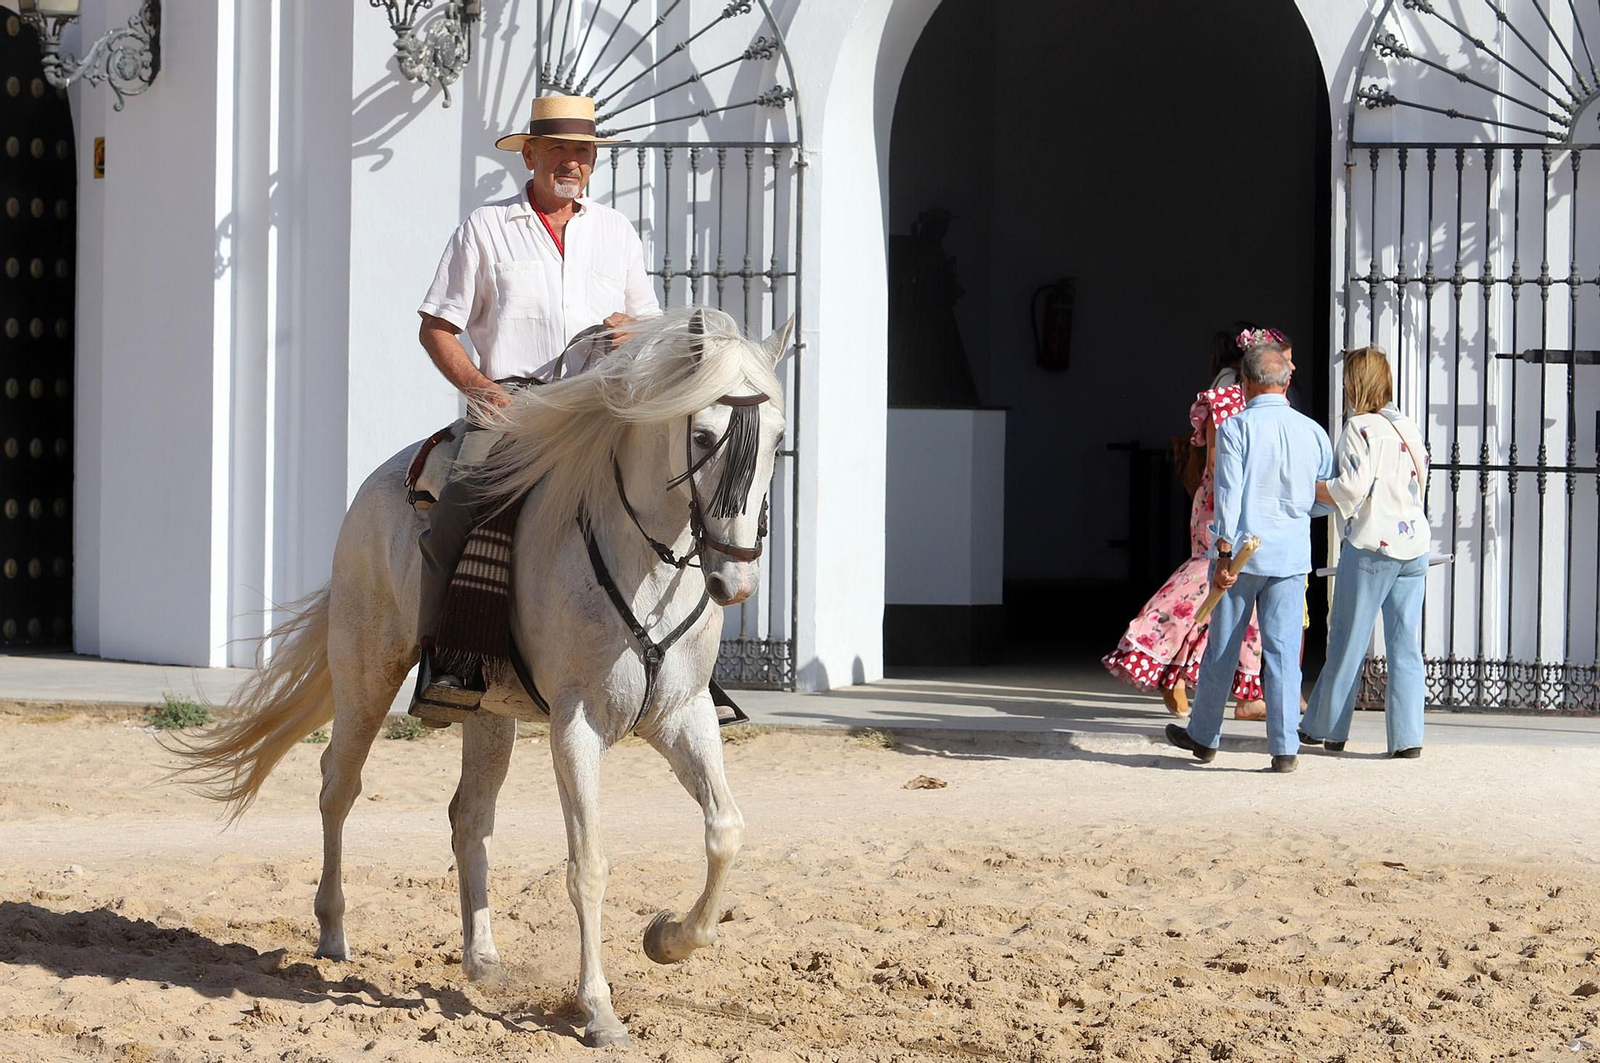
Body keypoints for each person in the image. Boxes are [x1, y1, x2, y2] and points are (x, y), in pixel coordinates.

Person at [412, 94, 660, 713]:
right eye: (558, 150)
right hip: (514, 404)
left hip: (598, 402)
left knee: (673, 485)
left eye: (583, 153)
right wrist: (482, 392)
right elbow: (437, 327)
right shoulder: (485, 228)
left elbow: (651, 324)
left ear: (594, 164)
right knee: (461, 502)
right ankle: (449, 657)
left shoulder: (616, 232)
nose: (572, 163)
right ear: (529, 155)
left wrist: (631, 332)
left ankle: (679, 659)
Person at [1165, 333, 1334, 773]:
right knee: (1281, 651)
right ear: (1283, 382)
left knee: (1223, 646)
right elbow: (1324, 494)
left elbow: (1229, 497)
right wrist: (1298, 513)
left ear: (1245, 382)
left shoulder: (1238, 427)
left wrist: (1222, 553)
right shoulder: (1312, 431)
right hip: (1292, 553)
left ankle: (1204, 736)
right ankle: (1283, 746)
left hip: (1243, 554)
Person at [1103, 325, 1269, 718]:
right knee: (1203, 584)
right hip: (1222, 506)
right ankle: (1153, 647)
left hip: (1249, 507)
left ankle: (1230, 688)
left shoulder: (1262, 405)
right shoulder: (1226, 400)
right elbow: (1216, 461)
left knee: (1240, 595)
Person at [1298, 347, 1430, 758]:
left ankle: (1326, 728)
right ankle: (1408, 739)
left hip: (1372, 545)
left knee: (1348, 640)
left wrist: (1310, 488)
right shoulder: (1407, 425)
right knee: (1405, 644)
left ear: (1355, 383)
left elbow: (1350, 489)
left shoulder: (1360, 427)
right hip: (1413, 545)